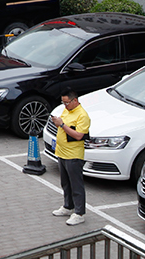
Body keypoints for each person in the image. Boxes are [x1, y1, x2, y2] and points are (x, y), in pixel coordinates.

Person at [51, 88, 90, 226]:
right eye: (63, 103)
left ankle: (79, 213)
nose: (65, 105)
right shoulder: (67, 110)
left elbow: (79, 135)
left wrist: (61, 124)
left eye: (67, 102)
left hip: (73, 155)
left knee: (76, 185)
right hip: (62, 152)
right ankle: (68, 206)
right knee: (65, 183)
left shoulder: (82, 116)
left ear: (75, 100)